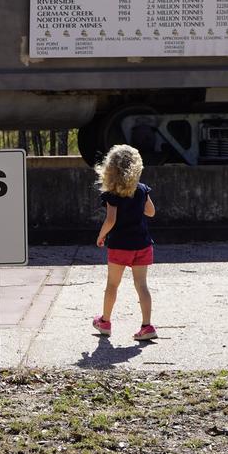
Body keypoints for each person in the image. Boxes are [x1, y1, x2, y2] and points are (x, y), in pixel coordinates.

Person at [90, 144, 158, 341]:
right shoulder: (142, 190)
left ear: (110, 169)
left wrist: (100, 236)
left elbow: (110, 220)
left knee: (112, 284)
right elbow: (151, 212)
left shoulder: (112, 194)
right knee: (142, 285)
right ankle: (147, 326)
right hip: (143, 244)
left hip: (120, 245)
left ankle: (105, 321)